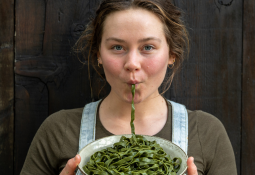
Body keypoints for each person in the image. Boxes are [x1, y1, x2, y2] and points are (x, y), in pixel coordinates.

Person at [20, 0, 237, 175]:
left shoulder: (208, 133)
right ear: (98, 54)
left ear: (172, 54)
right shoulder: (58, 131)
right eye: (117, 47)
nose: (132, 63)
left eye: (148, 47)